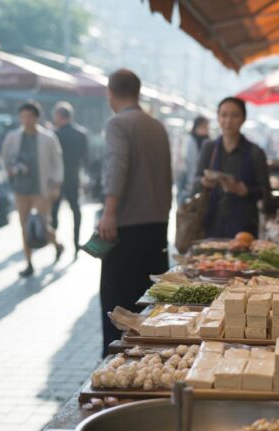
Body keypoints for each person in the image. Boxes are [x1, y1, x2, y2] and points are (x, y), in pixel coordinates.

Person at [97, 69, 172, 356]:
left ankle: (115, 365)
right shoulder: (157, 126)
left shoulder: (118, 124)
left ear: (110, 92)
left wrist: (109, 212)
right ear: (138, 92)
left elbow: (118, 166)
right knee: (149, 302)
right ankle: (149, 358)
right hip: (156, 227)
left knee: (119, 304)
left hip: (126, 227)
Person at [2, 101, 64, 277]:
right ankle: (29, 262)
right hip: (21, 188)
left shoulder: (48, 138)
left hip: (41, 188)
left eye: (29, 116)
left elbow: (57, 162)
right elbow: (5, 157)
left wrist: (56, 184)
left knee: (43, 224)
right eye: (23, 117)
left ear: (37, 117)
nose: (26, 120)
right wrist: (10, 170)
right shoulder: (13, 137)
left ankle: (57, 244)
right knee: (25, 226)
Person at [193, 97, 270, 238]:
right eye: (224, 115)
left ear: (243, 119)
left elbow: (265, 191)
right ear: (218, 118)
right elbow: (195, 182)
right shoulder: (209, 148)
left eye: (234, 115)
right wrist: (203, 182)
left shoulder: (255, 152)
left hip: (244, 229)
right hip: (210, 225)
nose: (228, 121)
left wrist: (245, 191)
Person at [51, 101, 88, 258]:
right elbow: (86, 158)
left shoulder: (55, 134)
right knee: (76, 210)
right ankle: (76, 243)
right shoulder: (81, 133)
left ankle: (56, 245)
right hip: (74, 176)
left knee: (54, 212)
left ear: (60, 116)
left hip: (58, 178)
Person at [176, 116, 209, 205]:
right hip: (187, 181)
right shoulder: (190, 141)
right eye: (203, 127)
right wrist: (190, 186)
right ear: (196, 127)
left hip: (200, 183)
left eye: (206, 127)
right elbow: (190, 164)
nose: (205, 130)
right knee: (185, 208)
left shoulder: (207, 142)